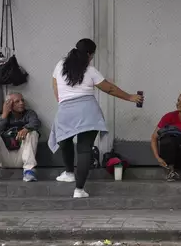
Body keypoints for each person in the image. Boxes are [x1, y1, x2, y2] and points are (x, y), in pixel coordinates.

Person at [50, 38, 143, 198]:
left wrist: (61, 100)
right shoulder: (90, 70)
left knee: (64, 140)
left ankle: (69, 172)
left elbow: (54, 84)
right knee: (84, 150)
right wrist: (130, 97)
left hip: (66, 111)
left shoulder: (60, 65)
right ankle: (79, 190)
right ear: (89, 54)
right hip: (88, 111)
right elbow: (110, 89)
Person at [0, 93, 41, 182]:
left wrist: (26, 129)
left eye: (22, 100)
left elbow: (36, 123)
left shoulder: (29, 113)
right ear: (9, 104)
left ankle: (29, 171)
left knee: (33, 132)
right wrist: (5, 114)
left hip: (22, 157)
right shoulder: (4, 116)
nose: (21, 103)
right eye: (17, 101)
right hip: (4, 158)